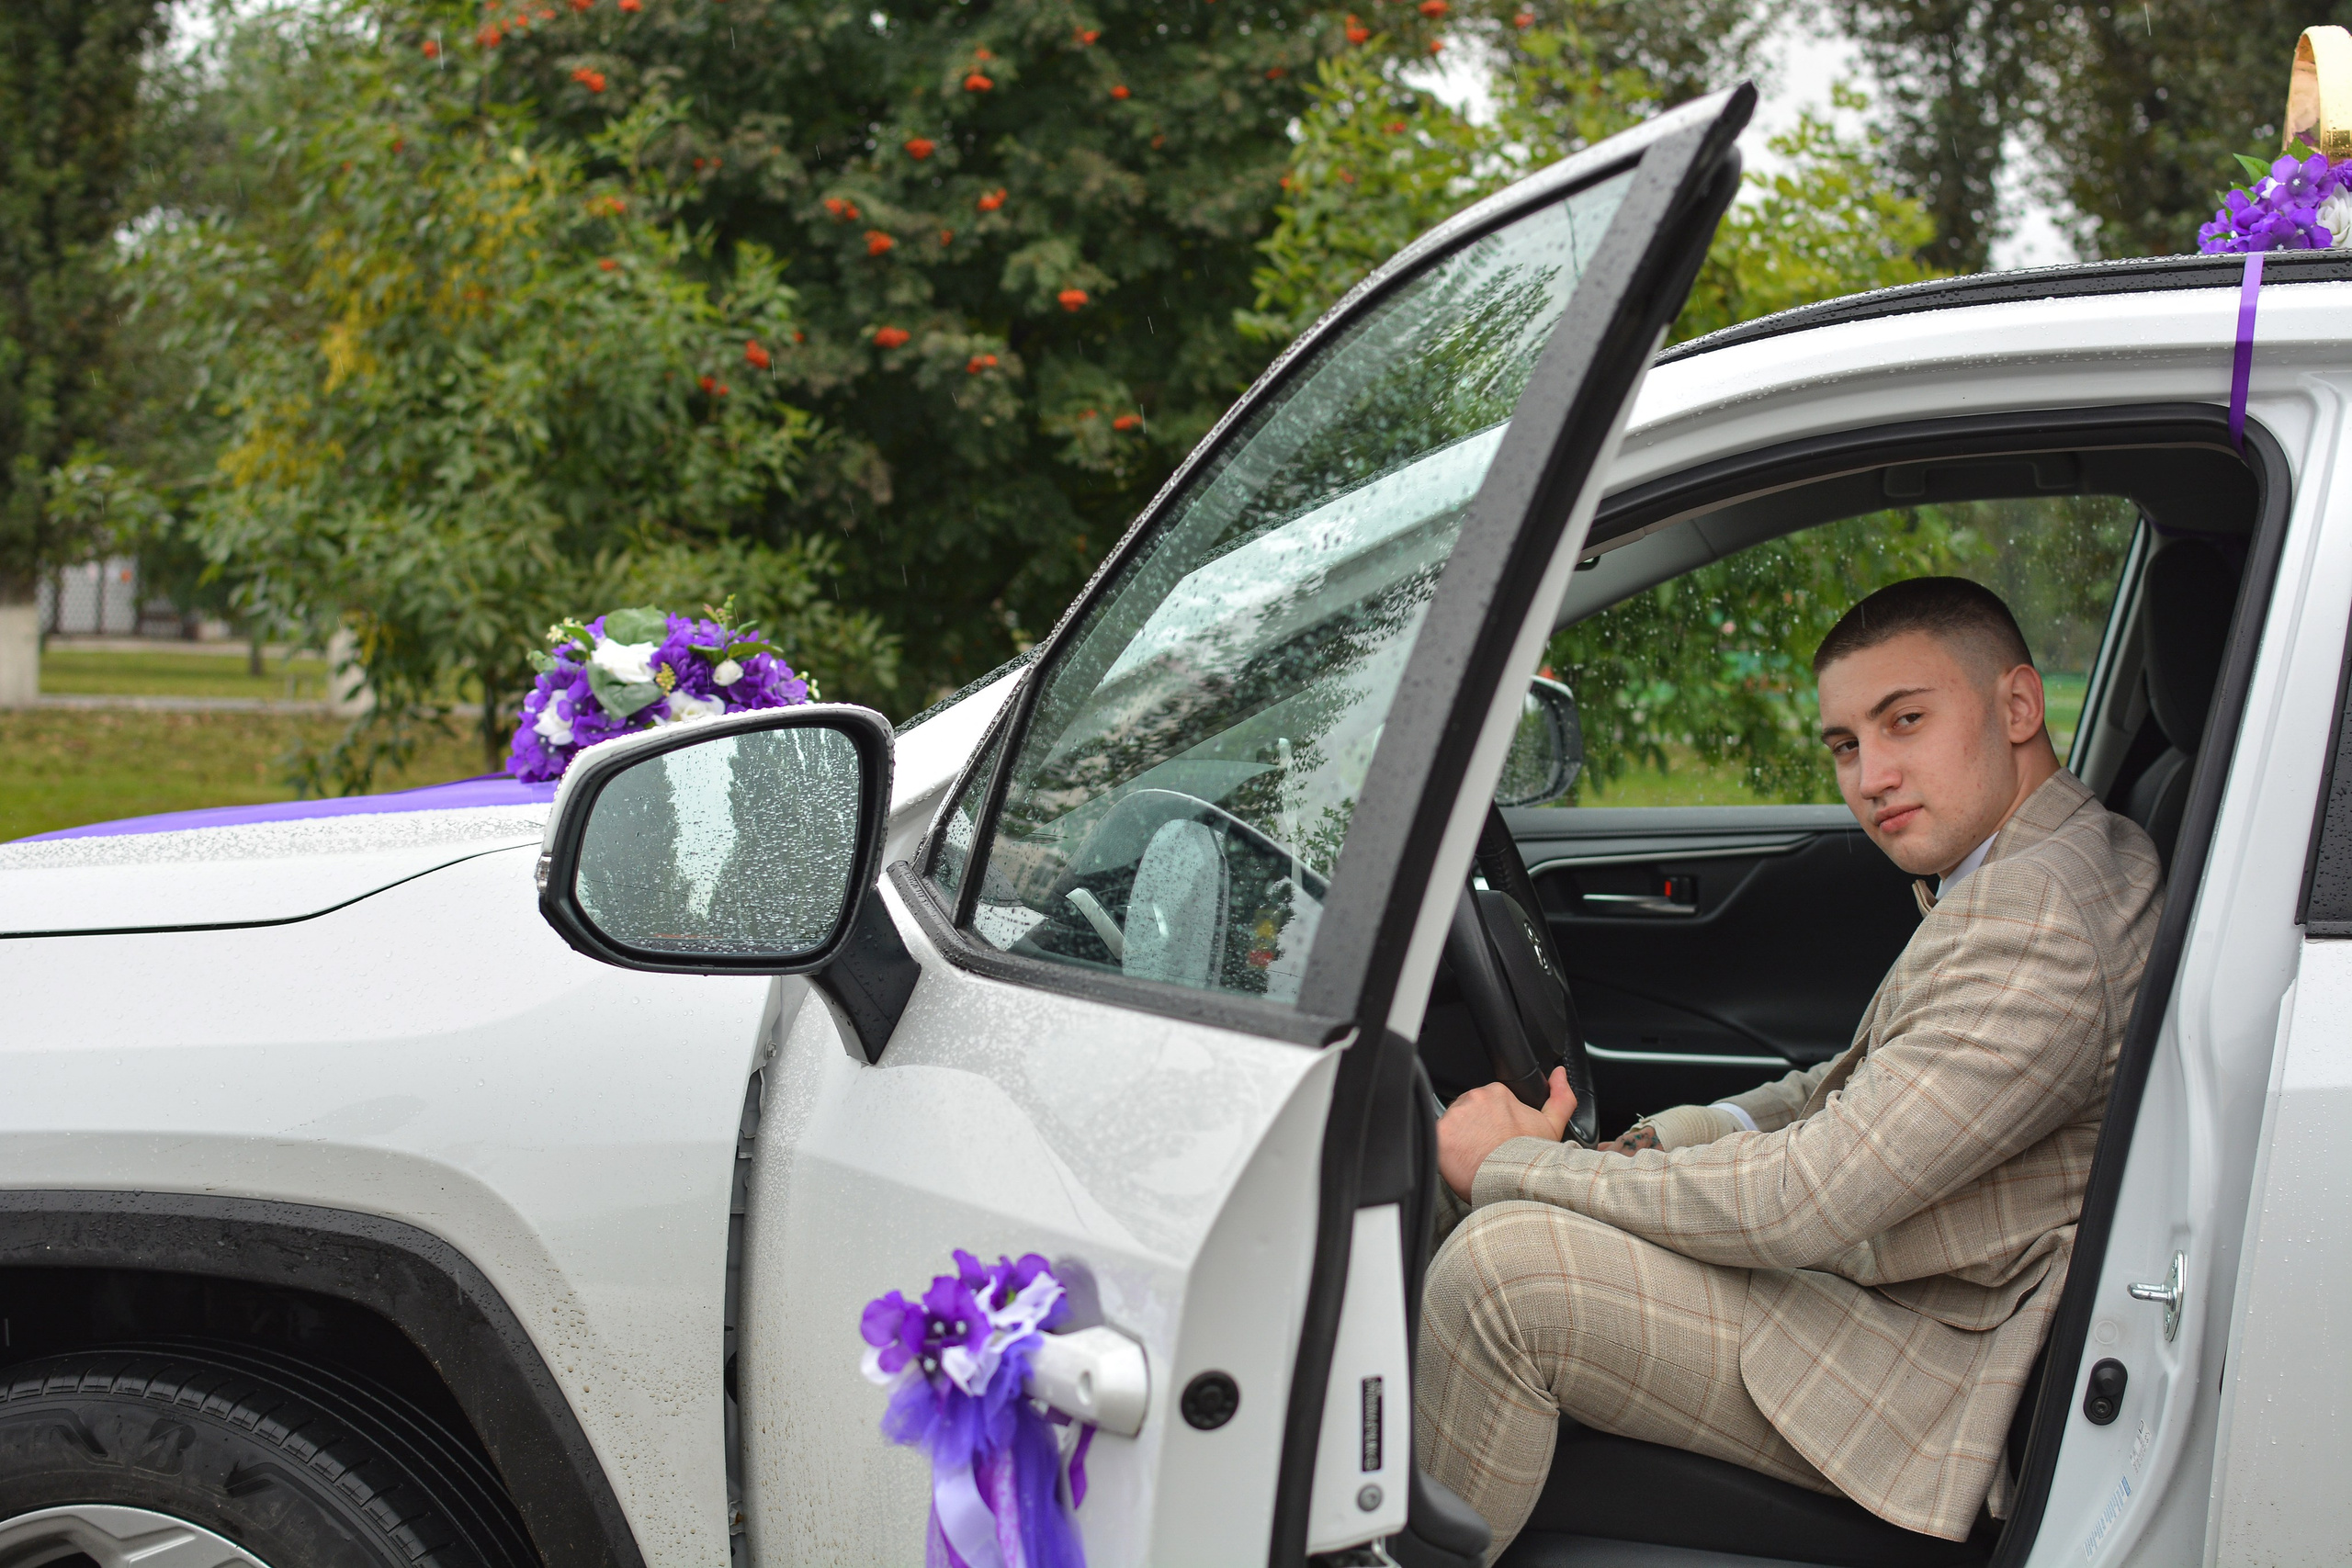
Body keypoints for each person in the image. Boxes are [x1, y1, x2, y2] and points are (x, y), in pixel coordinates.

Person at [1416, 576, 2165, 1554]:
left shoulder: (2041, 920)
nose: (1871, 776)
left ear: (2017, 705)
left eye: (1905, 722)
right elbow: (1840, 1084)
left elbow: (1802, 1202)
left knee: (1497, 1272)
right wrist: (1662, 1141)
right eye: (1847, 745)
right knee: (1519, 1215)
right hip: (1899, 1294)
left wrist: (1517, 1169)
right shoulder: (2035, 859)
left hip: (1927, 1369)